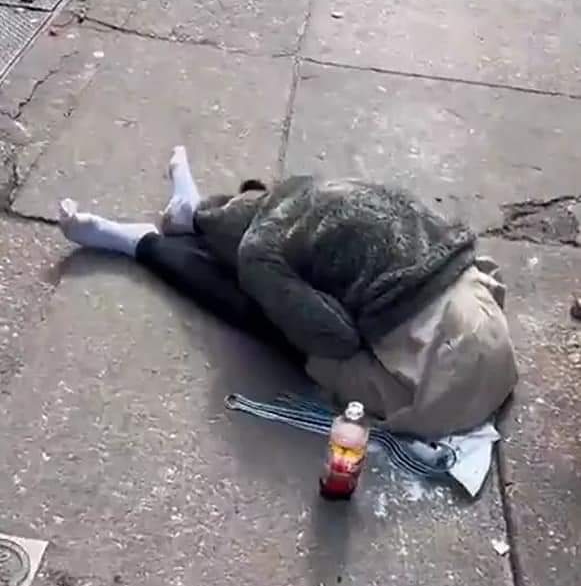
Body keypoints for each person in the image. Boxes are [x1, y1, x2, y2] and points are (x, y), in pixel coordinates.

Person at [59, 146, 518, 438]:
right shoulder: (323, 188)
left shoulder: (259, 253)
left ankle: (144, 242)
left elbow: (337, 342)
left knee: (269, 319)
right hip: (488, 329)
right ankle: (186, 213)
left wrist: (286, 305)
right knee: (310, 293)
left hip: (442, 391)